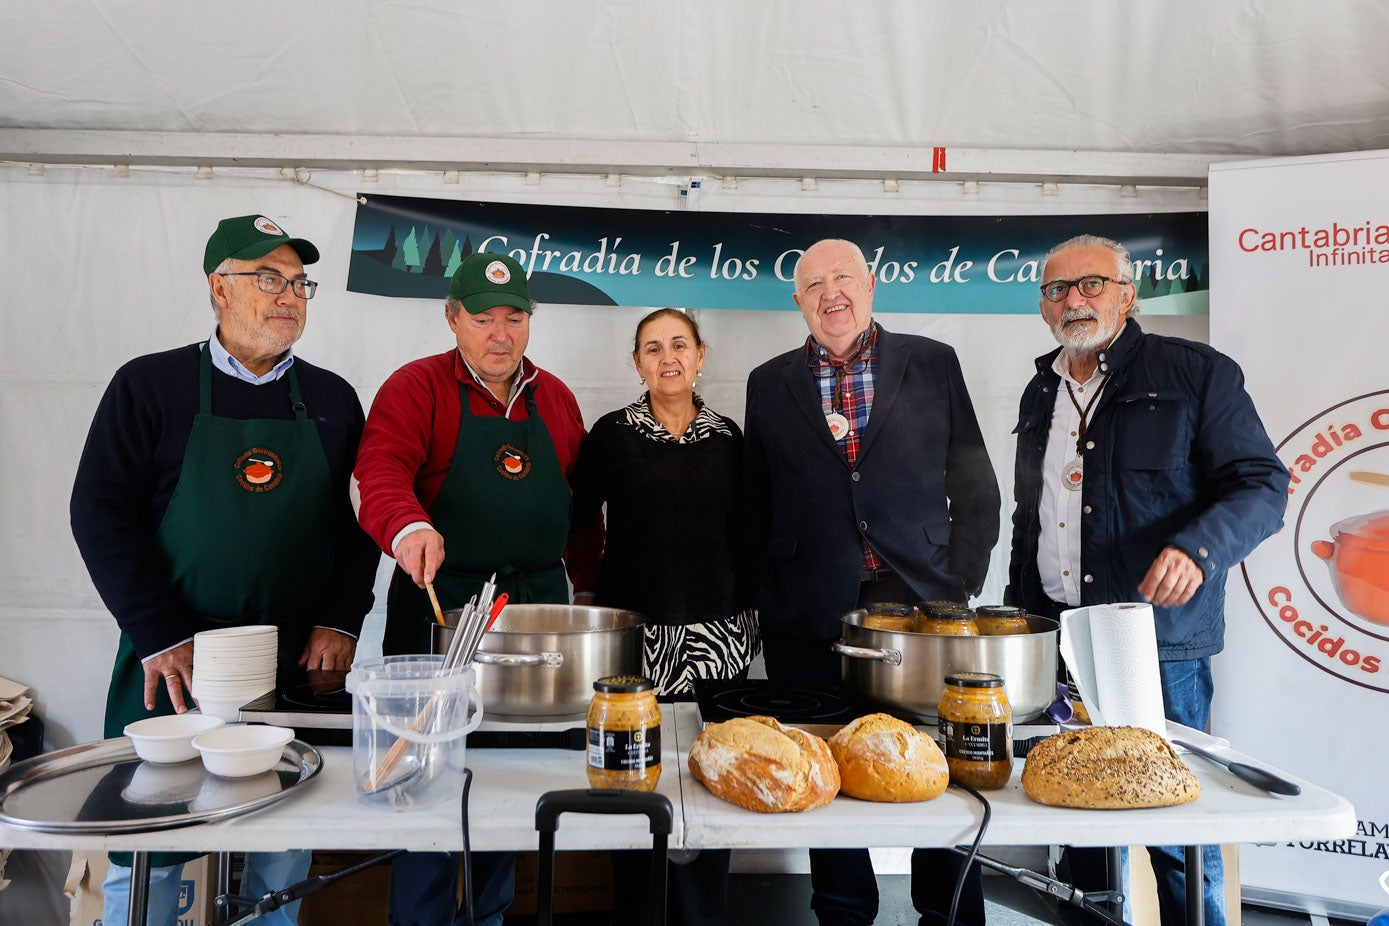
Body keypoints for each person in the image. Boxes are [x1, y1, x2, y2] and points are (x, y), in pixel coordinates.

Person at [70, 214, 380, 926]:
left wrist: (340, 617)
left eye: (299, 283)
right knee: (151, 841)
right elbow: (99, 514)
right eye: (266, 278)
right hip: (175, 663)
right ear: (219, 288)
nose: (287, 296)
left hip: (295, 665)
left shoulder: (333, 399)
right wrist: (156, 631)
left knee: (283, 843)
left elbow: (361, 521)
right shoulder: (149, 386)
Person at [1004, 234, 1289, 926]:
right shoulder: (1041, 387)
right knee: (1074, 814)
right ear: (1043, 309)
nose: (1073, 300)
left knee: (1175, 822)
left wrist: (1195, 549)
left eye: (1090, 284)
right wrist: (1018, 616)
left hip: (1156, 643)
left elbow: (1262, 484)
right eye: (1055, 290)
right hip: (1061, 643)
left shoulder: (1193, 373)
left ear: (1127, 295)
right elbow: (1033, 512)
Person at [743, 238, 1001, 926]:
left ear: (871, 284)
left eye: (842, 278)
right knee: (823, 762)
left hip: (919, 602)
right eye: (812, 284)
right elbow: (755, 500)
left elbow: (974, 484)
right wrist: (765, 591)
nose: (830, 293)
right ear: (796, 300)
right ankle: (842, 909)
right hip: (807, 608)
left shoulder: (931, 362)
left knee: (935, 762)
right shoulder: (767, 383)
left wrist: (958, 589)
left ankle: (947, 912)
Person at [353, 250, 601, 926]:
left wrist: (589, 594)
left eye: (514, 318)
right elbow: (379, 472)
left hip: (535, 627)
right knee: (422, 792)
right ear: (452, 318)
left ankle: (490, 915)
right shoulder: (416, 387)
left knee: (510, 794)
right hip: (438, 619)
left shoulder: (555, 397)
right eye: (483, 318)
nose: (500, 334)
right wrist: (405, 526)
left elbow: (580, 514)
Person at [571, 307, 758, 925]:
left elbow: (749, 534)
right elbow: (580, 523)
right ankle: (639, 910)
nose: (667, 357)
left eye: (679, 344)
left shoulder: (730, 438)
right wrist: (587, 594)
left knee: (715, 772)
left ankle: (704, 913)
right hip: (635, 636)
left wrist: (752, 615)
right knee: (633, 771)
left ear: (701, 355)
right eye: (653, 348)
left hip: (720, 636)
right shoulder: (611, 434)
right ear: (636, 363)